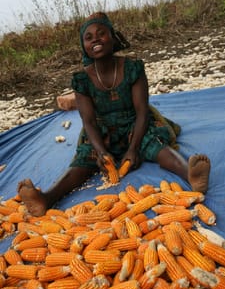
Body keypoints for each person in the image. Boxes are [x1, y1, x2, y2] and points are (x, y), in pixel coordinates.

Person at [18, 12, 211, 217]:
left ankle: (190, 175)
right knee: (83, 162)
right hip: (102, 130)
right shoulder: (82, 80)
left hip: (135, 124)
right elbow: (89, 121)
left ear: (113, 37)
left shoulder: (132, 68)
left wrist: (134, 148)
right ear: (84, 46)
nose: (96, 40)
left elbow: (142, 111)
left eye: (101, 34)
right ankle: (46, 198)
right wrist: (101, 153)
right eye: (89, 37)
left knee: (156, 146)